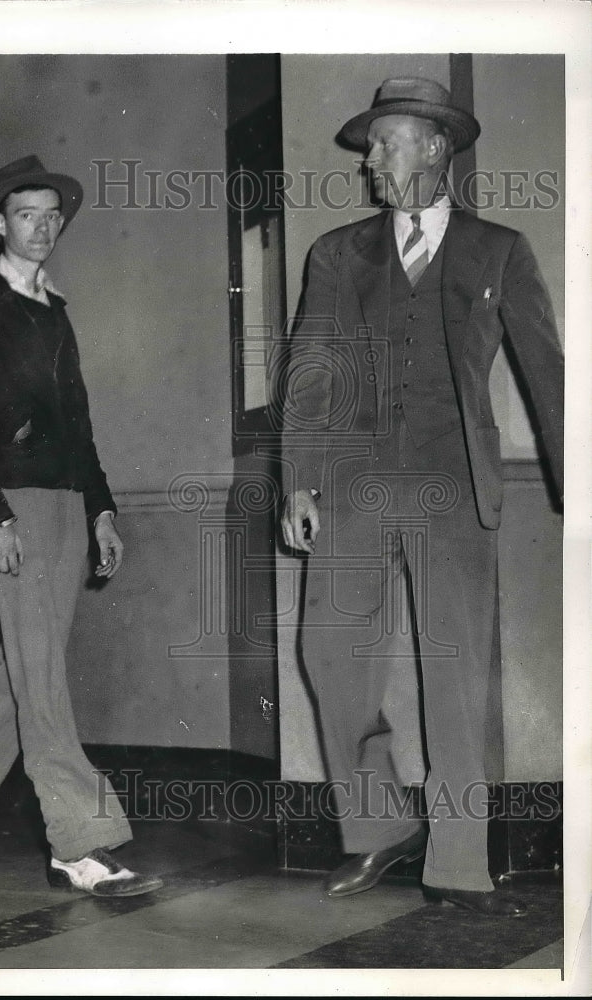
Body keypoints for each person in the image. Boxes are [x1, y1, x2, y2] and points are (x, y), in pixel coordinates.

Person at [280, 78, 563, 917]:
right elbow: (309, 372)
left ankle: (458, 863)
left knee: (457, 678)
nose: (369, 160)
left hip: (453, 490)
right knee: (330, 662)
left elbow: (547, 375)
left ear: (436, 148)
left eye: (385, 143)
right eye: (370, 146)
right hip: (351, 488)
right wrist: (299, 477)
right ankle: (378, 827)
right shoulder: (336, 252)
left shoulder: (499, 249)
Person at [0, 156, 162, 897]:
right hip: (9, 508)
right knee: (44, 679)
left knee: (23, 677)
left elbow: (79, 427)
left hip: (61, 507)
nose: (42, 227)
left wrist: (101, 510)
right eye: (27, 214)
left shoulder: (52, 308)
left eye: (52, 215)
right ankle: (79, 844)